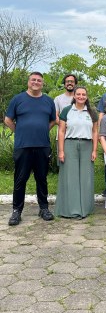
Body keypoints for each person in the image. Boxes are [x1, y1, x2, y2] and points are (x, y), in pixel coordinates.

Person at [5, 72, 56, 226]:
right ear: (28, 82)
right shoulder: (18, 99)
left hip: (42, 146)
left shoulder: (48, 101)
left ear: (42, 83)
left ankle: (44, 208)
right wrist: (19, 131)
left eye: (39, 80)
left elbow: (53, 120)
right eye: (33, 79)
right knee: (20, 179)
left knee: (42, 179)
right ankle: (16, 211)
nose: (36, 82)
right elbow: (7, 120)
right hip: (23, 146)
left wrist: (42, 131)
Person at [55, 86, 98, 219]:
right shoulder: (67, 110)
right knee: (70, 177)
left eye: (83, 94)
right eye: (78, 94)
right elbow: (61, 131)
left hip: (86, 145)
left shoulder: (91, 112)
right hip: (69, 144)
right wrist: (61, 151)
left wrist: (94, 150)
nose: (80, 96)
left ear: (86, 96)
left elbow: (95, 132)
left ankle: (85, 208)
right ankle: (70, 209)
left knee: (86, 178)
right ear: (74, 96)